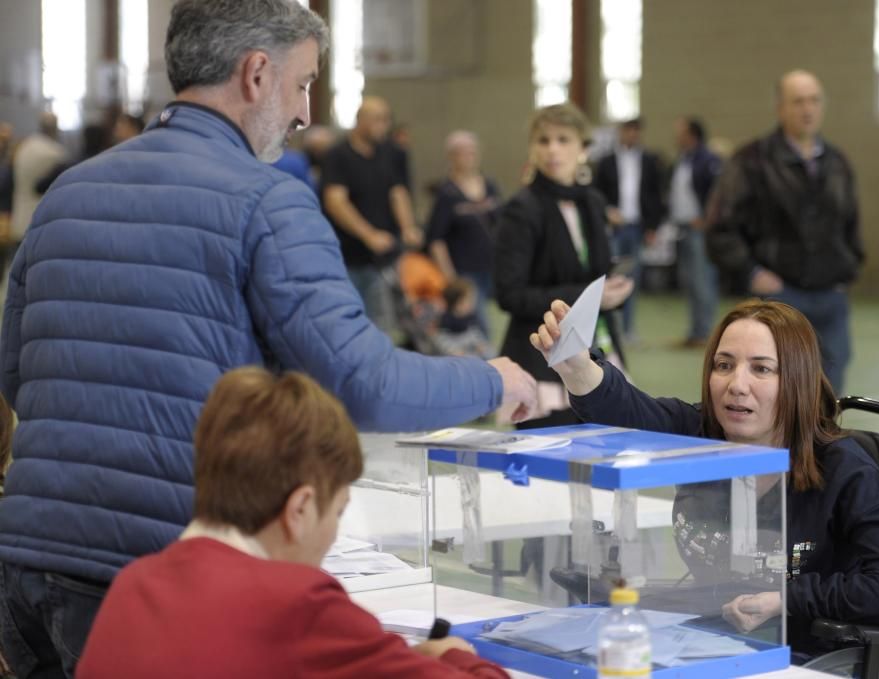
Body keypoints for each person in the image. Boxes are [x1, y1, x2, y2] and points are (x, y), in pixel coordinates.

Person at [0, 2, 535, 675]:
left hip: (24, 565)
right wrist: (492, 377)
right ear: (256, 73)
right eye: (304, 83)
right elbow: (363, 383)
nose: (306, 113)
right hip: (151, 574)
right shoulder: (266, 201)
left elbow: (17, 371)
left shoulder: (66, 194)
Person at [529, 298, 879, 658]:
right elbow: (631, 413)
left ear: (797, 380)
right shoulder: (701, 434)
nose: (736, 385)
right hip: (711, 645)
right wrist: (578, 367)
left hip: (805, 660)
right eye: (724, 365)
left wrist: (784, 599)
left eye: (761, 369)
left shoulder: (844, 468)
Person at [76, 367, 509, 679]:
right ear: (299, 508)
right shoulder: (297, 606)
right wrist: (456, 656)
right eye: (337, 512)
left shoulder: (133, 584)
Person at [708, 70, 863, 395]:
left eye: (814, 101)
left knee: (830, 395)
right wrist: (752, 272)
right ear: (780, 108)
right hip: (778, 297)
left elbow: (851, 225)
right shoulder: (751, 161)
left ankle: (821, 448)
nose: (807, 109)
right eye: (798, 101)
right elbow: (720, 228)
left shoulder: (838, 163)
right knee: (780, 394)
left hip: (830, 296)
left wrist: (846, 270)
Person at [495, 103, 633, 428]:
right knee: (546, 472)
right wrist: (590, 296)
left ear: (583, 148)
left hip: (595, 350)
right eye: (543, 140)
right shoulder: (521, 210)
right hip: (542, 361)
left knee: (599, 463)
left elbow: (595, 271)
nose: (552, 149)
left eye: (563, 139)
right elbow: (510, 294)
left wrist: (614, 289)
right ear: (532, 148)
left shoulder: (593, 202)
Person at [322, 96, 423, 334]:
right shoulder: (338, 155)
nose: (384, 126)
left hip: (382, 259)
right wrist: (368, 235)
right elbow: (336, 201)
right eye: (378, 120)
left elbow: (398, 193)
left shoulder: (392, 153)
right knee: (347, 321)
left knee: (381, 323)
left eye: (387, 120)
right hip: (346, 257)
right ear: (361, 120)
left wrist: (408, 227)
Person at [593, 118, 666, 344]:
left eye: (636, 131)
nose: (632, 135)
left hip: (636, 228)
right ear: (620, 132)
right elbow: (596, 194)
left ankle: (628, 329)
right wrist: (607, 212)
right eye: (628, 130)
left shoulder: (650, 160)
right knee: (610, 278)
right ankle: (609, 329)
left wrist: (653, 226)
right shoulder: (605, 162)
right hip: (613, 229)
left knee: (631, 280)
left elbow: (656, 195)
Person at [426, 130, 502, 337]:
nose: (469, 157)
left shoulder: (489, 185)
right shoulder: (447, 193)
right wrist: (450, 277)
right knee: (480, 325)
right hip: (465, 271)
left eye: (472, 152)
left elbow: (502, 224)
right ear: (451, 156)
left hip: (492, 265)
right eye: (462, 153)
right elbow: (436, 239)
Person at [668, 117, 722, 348]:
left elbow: (718, 193)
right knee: (689, 281)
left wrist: (707, 218)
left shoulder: (708, 159)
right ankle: (695, 331)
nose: (676, 136)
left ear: (692, 135)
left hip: (699, 229)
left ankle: (706, 331)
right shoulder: (683, 159)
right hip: (682, 227)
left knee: (702, 281)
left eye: (680, 132)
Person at [9, 111, 66, 240]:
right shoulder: (55, 153)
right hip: (40, 223)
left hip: (18, 219)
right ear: (55, 127)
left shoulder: (24, 146)